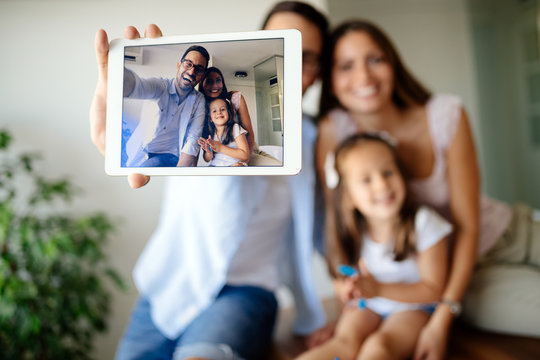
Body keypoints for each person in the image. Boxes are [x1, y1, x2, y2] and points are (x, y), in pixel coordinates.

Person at [89, 1, 329, 359]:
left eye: (306, 57)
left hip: (247, 290)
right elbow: (140, 87)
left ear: (318, 71)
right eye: (286, 45)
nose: (295, 66)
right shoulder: (198, 108)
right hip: (171, 279)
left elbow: (327, 231)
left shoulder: (317, 141)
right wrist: (116, 87)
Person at [316, 19, 540, 360]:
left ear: (393, 64)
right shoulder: (336, 131)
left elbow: (467, 224)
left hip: (512, 234)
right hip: (465, 277)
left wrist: (440, 320)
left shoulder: (445, 114)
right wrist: (346, 291)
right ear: (330, 79)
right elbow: (337, 219)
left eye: (375, 59)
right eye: (346, 66)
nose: (364, 77)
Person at [297, 133, 451, 360]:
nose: (382, 183)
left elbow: (433, 289)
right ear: (348, 197)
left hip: (414, 308)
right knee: (344, 342)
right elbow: (344, 278)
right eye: (366, 180)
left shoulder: (424, 224)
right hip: (369, 305)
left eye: (388, 172)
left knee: (379, 346)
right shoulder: (352, 232)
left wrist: (379, 290)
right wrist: (349, 291)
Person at [123, 45, 209, 167]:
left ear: (202, 76)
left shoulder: (199, 100)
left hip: (170, 156)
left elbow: (193, 139)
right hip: (140, 150)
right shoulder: (160, 86)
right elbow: (139, 86)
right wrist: (113, 77)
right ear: (179, 65)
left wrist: (178, 176)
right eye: (188, 64)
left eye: (199, 69)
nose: (191, 72)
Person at [199, 66, 281, 165]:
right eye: (209, 81)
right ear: (202, 84)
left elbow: (249, 134)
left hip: (248, 150)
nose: (215, 85)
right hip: (226, 160)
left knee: (278, 167)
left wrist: (244, 163)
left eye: (218, 80)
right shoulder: (200, 110)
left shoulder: (235, 98)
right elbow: (208, 156)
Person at [198, 98, 250, 166]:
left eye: (222, 109)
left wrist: (221, 148)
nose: (219, 112)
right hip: (215, 166)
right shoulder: (211, 134)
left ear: (228, 112)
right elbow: (207, 160)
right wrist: (208, 151)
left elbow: (245, 155)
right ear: (210, 118)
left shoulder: (235, 128)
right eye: (214, 111)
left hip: (233, 166)